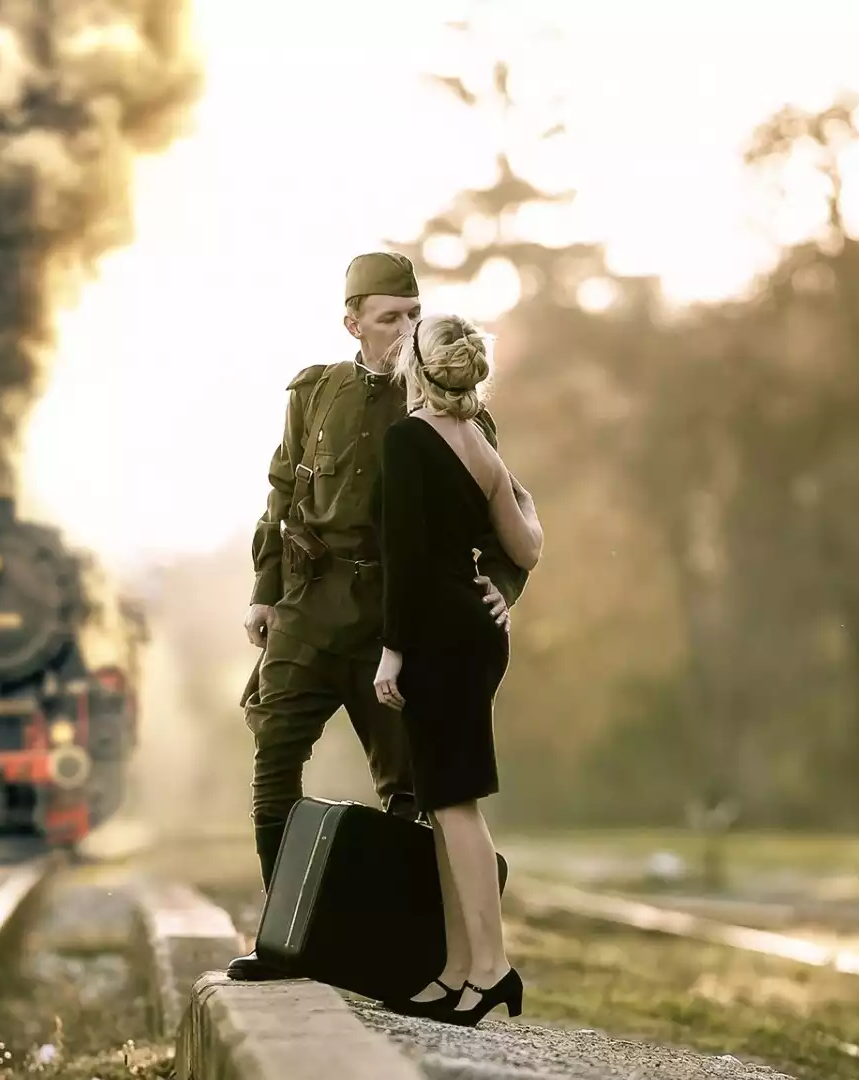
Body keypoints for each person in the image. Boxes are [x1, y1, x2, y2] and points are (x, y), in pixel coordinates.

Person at [226, 253, 531, 982]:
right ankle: (282, 938)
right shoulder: (313, 394)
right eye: (390, 317)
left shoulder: (450, 409)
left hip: (398, 619)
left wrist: (501, 584)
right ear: (352, 323)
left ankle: (416, 951)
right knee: (274, 755)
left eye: (414, 315)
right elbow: (281, 495)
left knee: (412, 791)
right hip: (308, 607)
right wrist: (264, 591)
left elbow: (504, 507)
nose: (406, 329)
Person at [372, 313, 543, 1027]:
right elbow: (526, 549)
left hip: (438, 636)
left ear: (417, 367)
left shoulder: (408, 439)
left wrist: (393, 648)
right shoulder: (481, 446)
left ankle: (493, 969)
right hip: (474, 630)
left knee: (455, 805)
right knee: (444, 802)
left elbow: (404, 557)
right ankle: (456, 969)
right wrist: (518, 503)